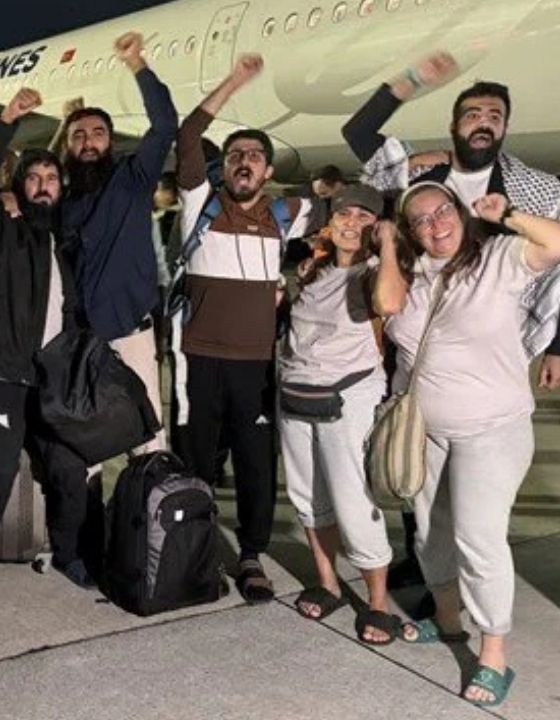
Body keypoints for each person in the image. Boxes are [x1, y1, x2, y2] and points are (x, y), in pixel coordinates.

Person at [342, 51, 560, 594]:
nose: (483, 123)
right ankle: (427, 564)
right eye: (472, 114)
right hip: (418, 344)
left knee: (482, 478)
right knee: (410, 454)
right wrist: (414, 79)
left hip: (491, 352)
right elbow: (359, 131)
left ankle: (475, 567)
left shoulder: (532, 189)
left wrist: (557, 344)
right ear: (454, 124)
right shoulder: (423, 177)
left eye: (494, 116)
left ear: (504, 127)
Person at [372, 183, 560, 706]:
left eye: (442, 211)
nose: (435, 225)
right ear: (410, 231)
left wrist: (509, 213)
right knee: (431, 536)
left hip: (493, 428)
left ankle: (494, 653)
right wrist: (387, 245)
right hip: (426, 432)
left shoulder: (498, 258)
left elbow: (556, 244)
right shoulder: (411, 274)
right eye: (420, 220)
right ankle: (448, 620)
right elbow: (385, 304)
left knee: (478, 537)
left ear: (459, 211)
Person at [0, 86, 91, 607]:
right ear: (19, 185)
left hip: (50, 377)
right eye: (33, 177)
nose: (43, 185)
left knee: (69, 467)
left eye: (51, 178)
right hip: (2, 371)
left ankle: (68, 552)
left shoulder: (63, 239)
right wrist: (6, 120)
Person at [172, 54, 312, 604]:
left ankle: (251, 555)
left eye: (255, 155)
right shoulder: (199, 204)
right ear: (224, 168)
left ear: (268, 171)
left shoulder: (285, 215)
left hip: (256, 364)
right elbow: (188, 134)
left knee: (256, 465)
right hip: (198, 359)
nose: (244, 162)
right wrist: (233, 83)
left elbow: (354, 215)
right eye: (235, 156)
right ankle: (197, 548)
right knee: (196, 461)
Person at [279, 184, 398, 644]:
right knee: (307, 496)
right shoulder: (313, 270)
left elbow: (389, 305)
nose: (353, 223)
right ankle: (328, 583)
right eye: (345, 214)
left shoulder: (377, 271)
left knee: (353, 500)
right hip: (296, 395)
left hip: (348, 398)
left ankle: (377, 602)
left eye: (365, 217)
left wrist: (387, 245)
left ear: (378, 225)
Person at [60, 30, 176, 454]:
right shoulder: (62, 200)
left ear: (110, 140)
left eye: (97, 133)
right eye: (78, 135)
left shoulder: (132, 179)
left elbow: (165, 125)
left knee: (146, 439)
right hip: (79, 338)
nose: (88, 142)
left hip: (130, 334)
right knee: (80, 442)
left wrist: (136, 64)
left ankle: (149, 496)